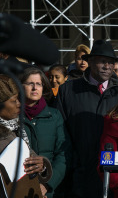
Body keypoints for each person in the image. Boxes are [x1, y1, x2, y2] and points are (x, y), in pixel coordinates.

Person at [56, 39, 118, 198]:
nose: (107, 66)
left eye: (110, 62)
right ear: (91, 62)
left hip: (114, 176)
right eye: (102, 61)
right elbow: (60, 133)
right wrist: (73, 164)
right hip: (79, 177)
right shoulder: (68, 90)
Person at [19, 67, 71, 198]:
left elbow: (64, 155)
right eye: (30, 84)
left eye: (39, 84)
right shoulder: (11, 116)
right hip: (17, 188)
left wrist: (47, 185)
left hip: (50, 190)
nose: (35, 88)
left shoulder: (54, 116)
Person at [0, 74, 52, 197]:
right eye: (13, 101)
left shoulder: (17, 127)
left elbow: (30, 158)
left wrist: (42, 165)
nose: (19, 104)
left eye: (19, 98)